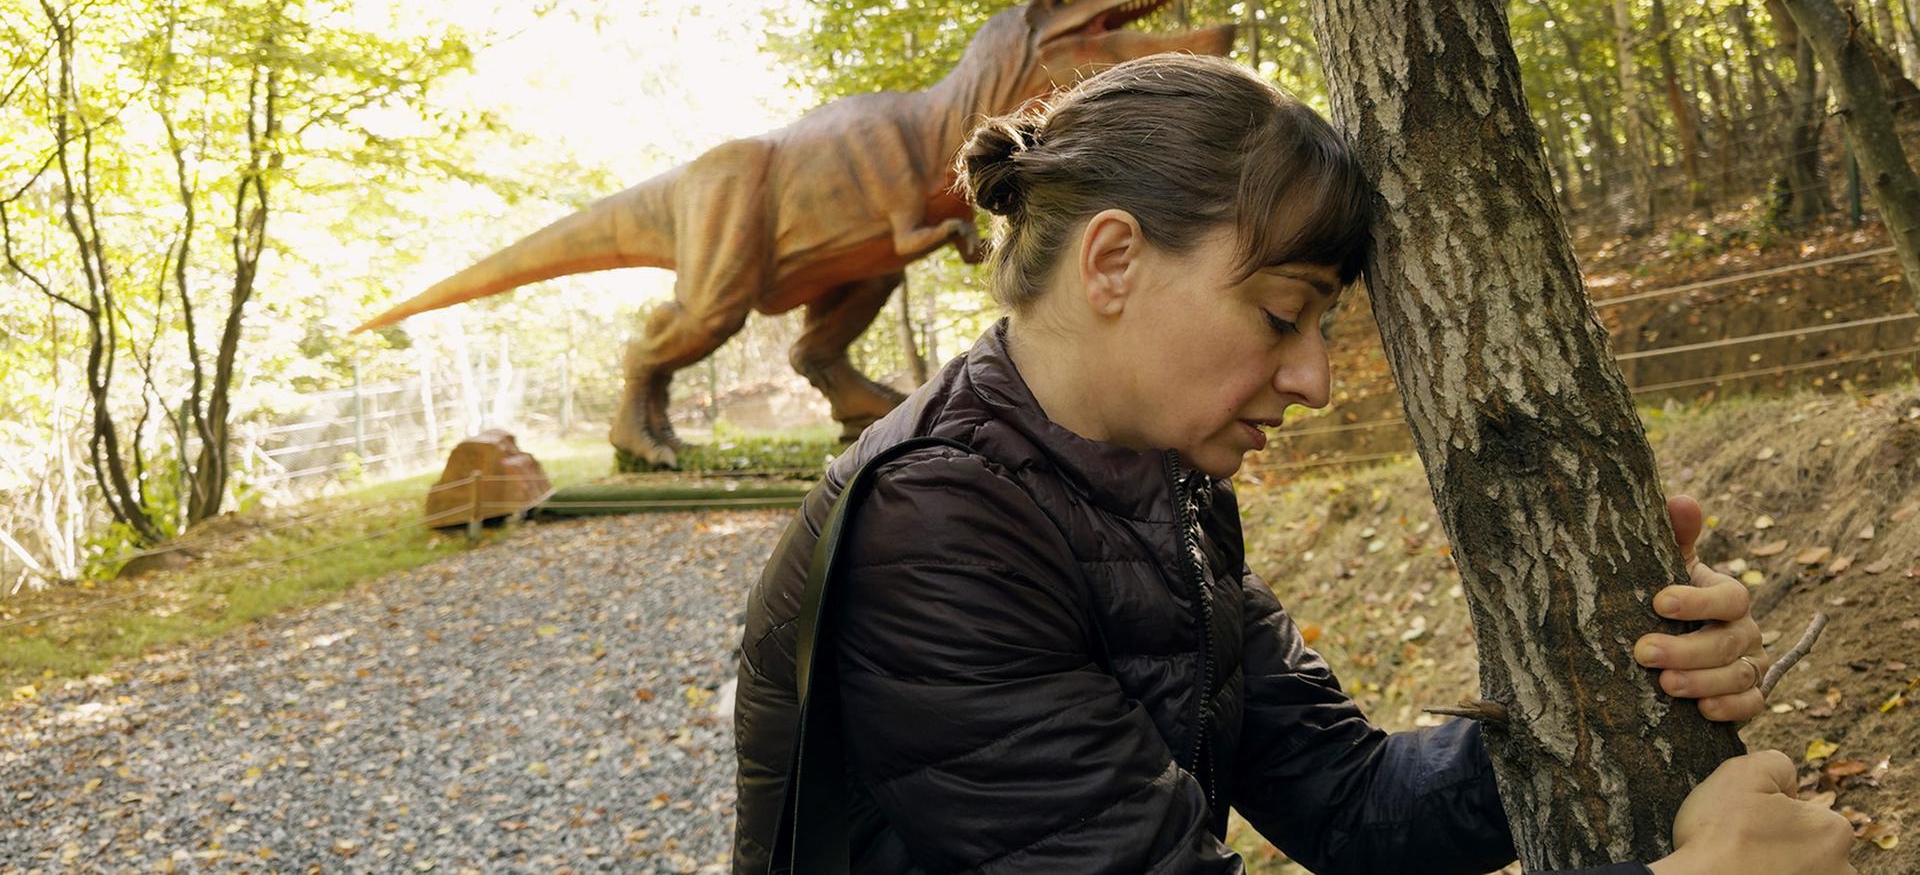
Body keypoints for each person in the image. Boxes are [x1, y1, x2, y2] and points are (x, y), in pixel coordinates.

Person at [731, 54, 1854, 874]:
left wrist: (1611, 681)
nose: (1314, 378)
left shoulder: (1155, 480)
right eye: (1282, 314)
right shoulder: (937, 523)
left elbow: (1352, 805)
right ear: (1112, 260)